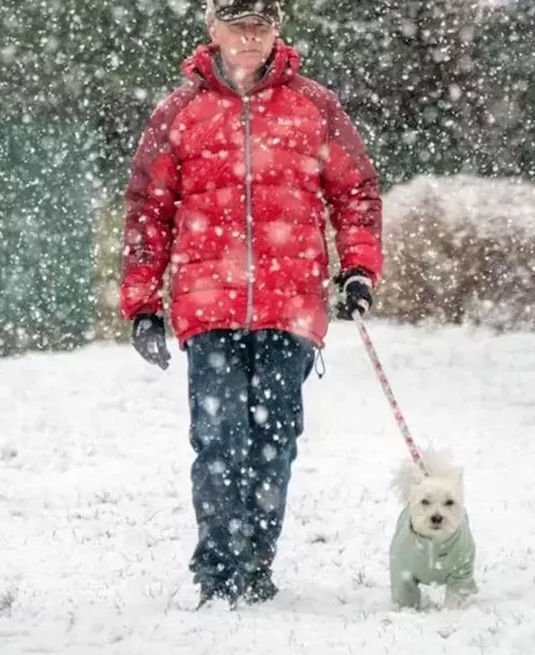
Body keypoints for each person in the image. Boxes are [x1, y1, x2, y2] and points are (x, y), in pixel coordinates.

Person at [118, 0, 383, 608]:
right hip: (206, 304)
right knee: (218, 439)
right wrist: (142, 304)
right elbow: (147, 212)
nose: (248, 36)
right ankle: (218, 570)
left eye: (260, 25)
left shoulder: (314, 105)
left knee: (274, 440)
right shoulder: (179, 112)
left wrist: (359, 268)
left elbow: (356, 191)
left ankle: (256, 561)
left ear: (276, 31)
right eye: (236, 24)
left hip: (291, 305)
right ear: (211, 30)